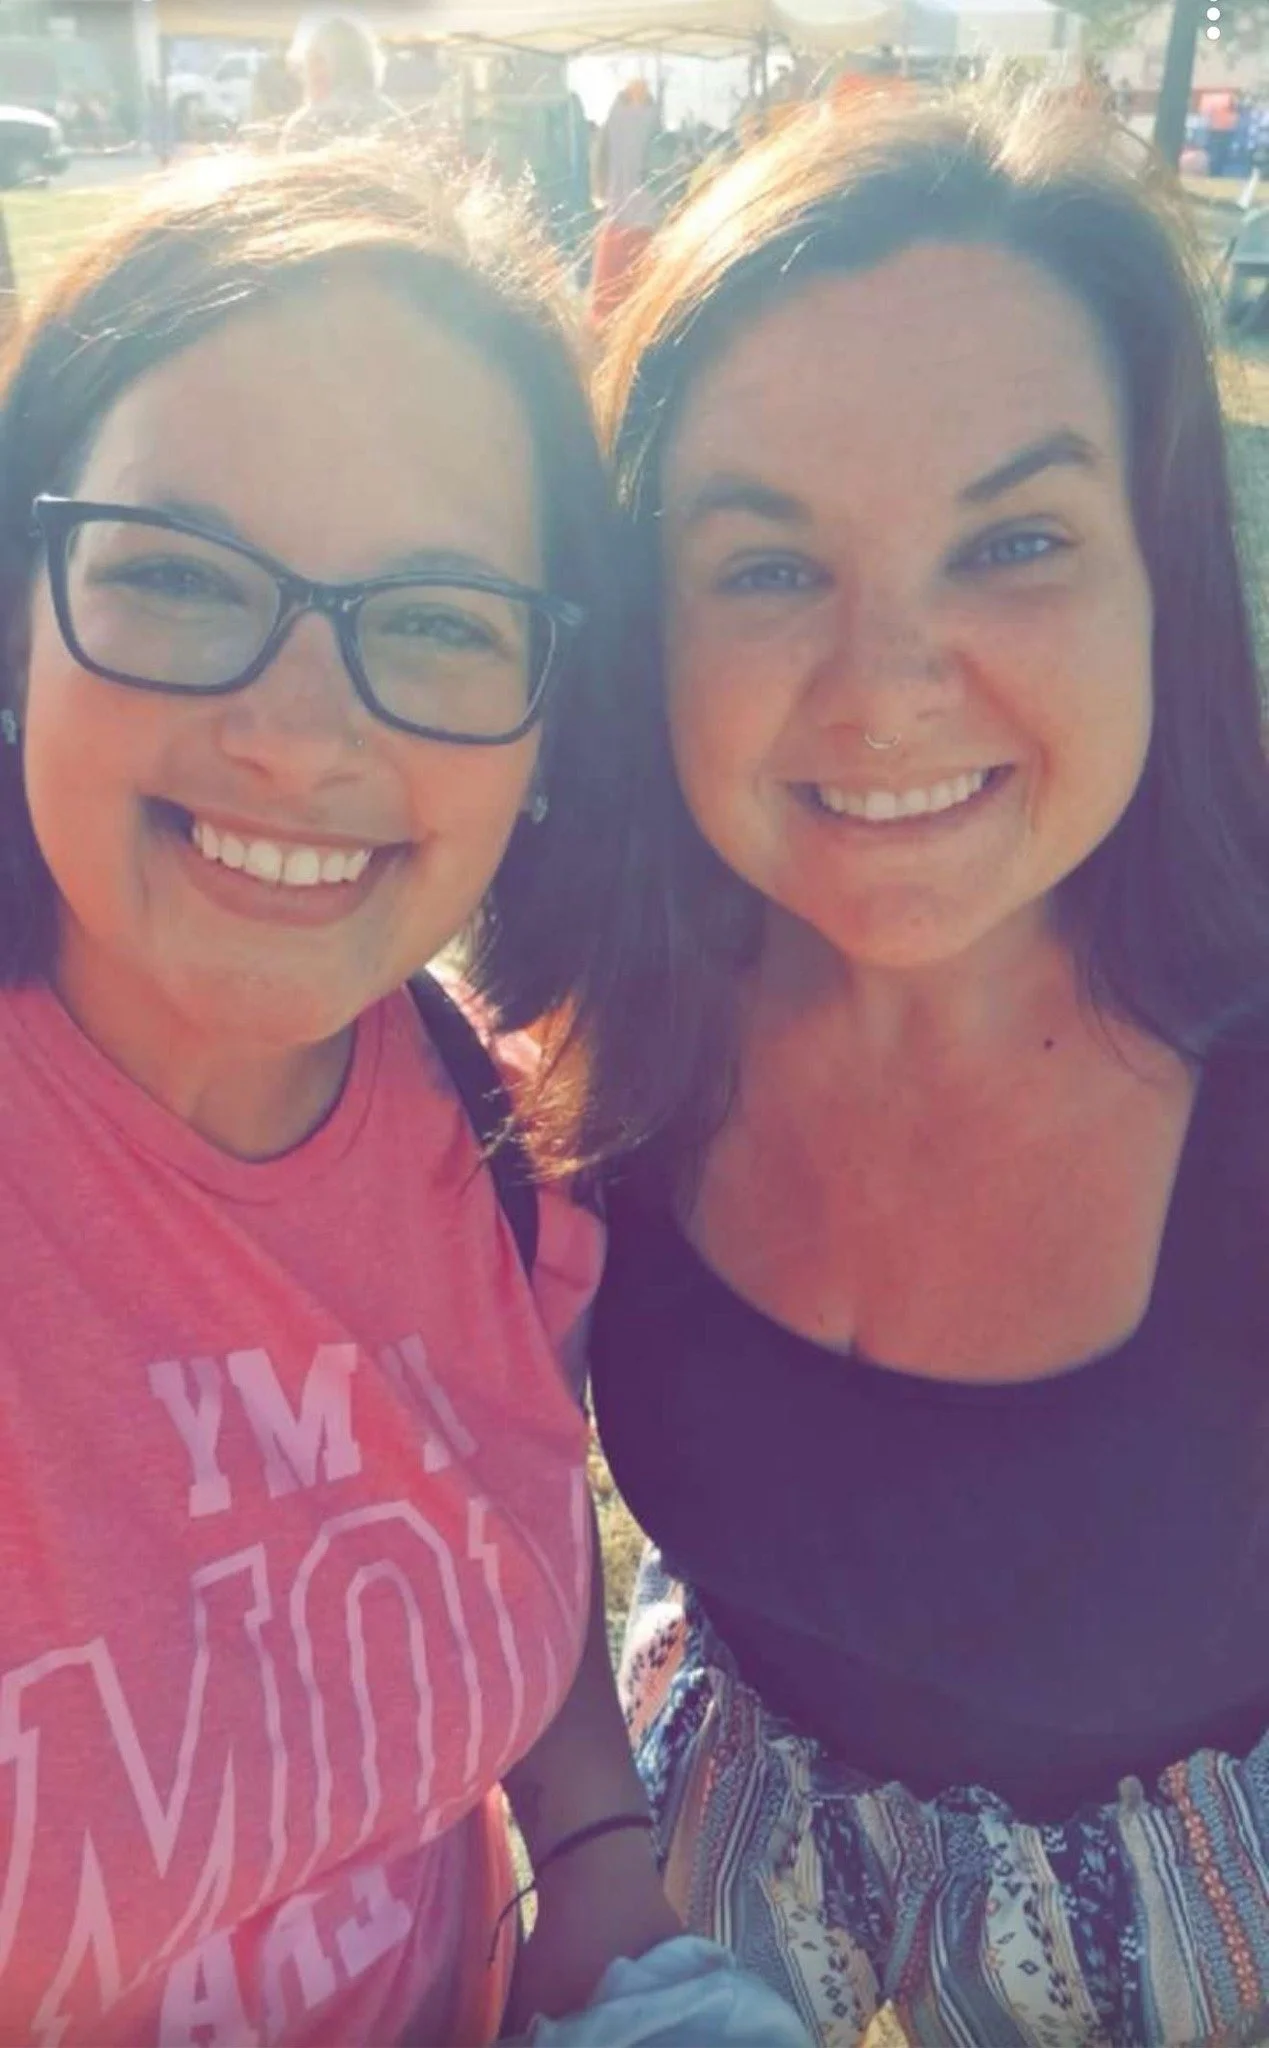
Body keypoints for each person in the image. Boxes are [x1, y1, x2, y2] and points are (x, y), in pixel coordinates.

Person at [582, 90, 1269, 2045]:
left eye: (1015, 539)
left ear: (1164, 582)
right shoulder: (602, 1020)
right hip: (707, 1859)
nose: (883, 688)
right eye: (768, 566)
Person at [0, 142, 694, 2042]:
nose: (302, 731)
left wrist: (602, 1866)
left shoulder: (501, 1135)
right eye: (172, 574)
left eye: (440, 617)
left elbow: (500, 1538)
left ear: (553, 724)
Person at [591, 81, 664, 328]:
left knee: (623, 299)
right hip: (633, 218)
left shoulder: (626, 119)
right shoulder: (631, 119)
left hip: (633, 218)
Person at [283, 12, 399, 148]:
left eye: (319, 60)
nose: (311, 71)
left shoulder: (306, 125)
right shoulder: (391, 116)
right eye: (310, 60)